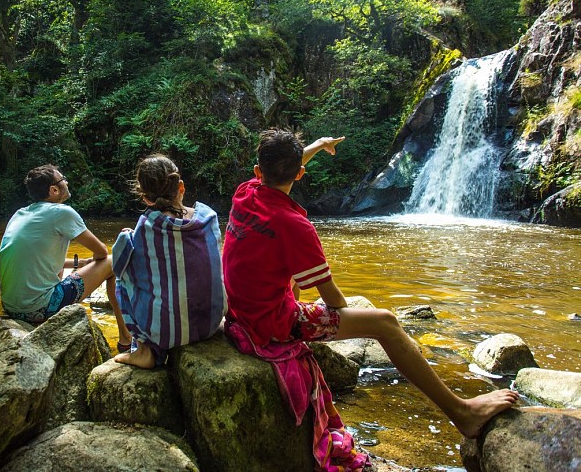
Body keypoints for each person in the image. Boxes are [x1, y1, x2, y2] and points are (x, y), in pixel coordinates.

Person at [222, 128, 519, 470]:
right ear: (300, 174)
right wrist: (349, 319)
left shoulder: (246, 192)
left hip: (239, 308)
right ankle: (461, 412)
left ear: (258, 171)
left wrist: (317, 146)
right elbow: (333, 300)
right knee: (386, 324)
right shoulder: (294, 225)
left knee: (289, 273)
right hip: (268, 322)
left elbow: (280, 167)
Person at [0, 164, 132, 350]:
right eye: (63, 180)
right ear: (53, 190)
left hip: (11, 308)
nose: (67, 182)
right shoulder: (62, 212)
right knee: (111, 262)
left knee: (74, 267)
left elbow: (37, 258)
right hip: (38, 309)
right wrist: (95, 263)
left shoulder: (20, 214)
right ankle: (125, 338)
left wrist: (81, 263)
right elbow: (101, 252)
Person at [111, 154, 227, 369]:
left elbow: (121, 269)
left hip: (166, 334)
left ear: (145, 197)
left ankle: (145, 349)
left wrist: (127, 239)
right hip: (210, 325)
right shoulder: (209, 217)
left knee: (122, 272)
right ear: (181, 186)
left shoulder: (146, 225)